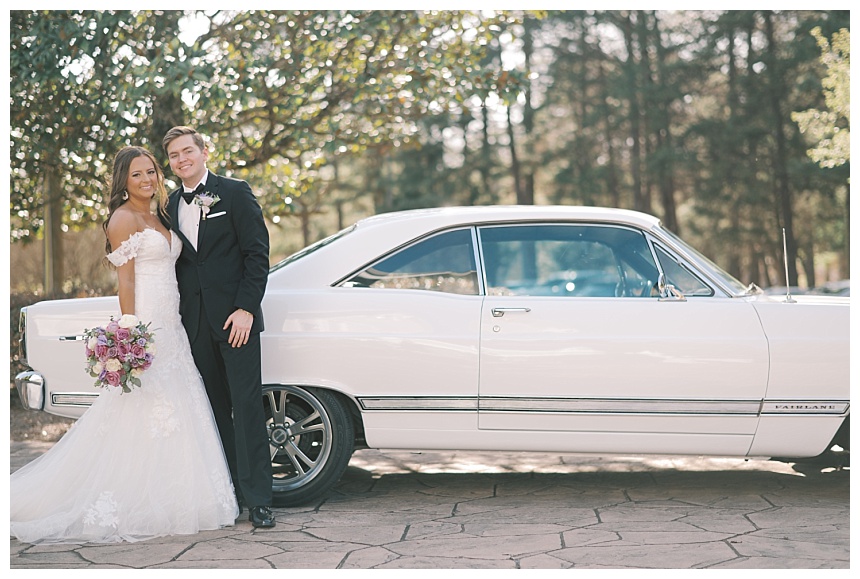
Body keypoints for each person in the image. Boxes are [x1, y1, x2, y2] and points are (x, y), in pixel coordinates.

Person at [10, 146, 239, 544]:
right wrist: (130, 333)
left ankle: (178, 495)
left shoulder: (161, 215)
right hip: (147, 326)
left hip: (175, 326)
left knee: (181, 407)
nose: (147, 179)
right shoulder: (123, 218)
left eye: (151, 172)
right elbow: (127, 281)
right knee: (139, 409)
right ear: (123, 181)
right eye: (137, 175)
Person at [161, 126, 274, 529]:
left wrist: (246, 308)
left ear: (204, 151)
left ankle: (260, 499)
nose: (181, 159)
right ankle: (231, 494)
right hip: (193, 325)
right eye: (174, 155)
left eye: (187, 151)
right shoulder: (170, 204)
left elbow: (257, 254)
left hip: (235, 321)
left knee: (245, 407)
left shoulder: (235, 192)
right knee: (212, 411)